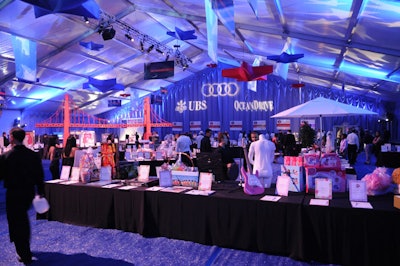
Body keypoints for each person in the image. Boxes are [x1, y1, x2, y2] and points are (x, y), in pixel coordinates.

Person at [0, 127, 45, 264]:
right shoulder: (32, 155)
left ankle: (23, 252)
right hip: (28, 192)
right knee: (23, 219)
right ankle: (24, 248)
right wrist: (40, 191)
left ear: (12, 137)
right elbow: (40, 175)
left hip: (13, 193)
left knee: (15, 222)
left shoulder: (6, 156)